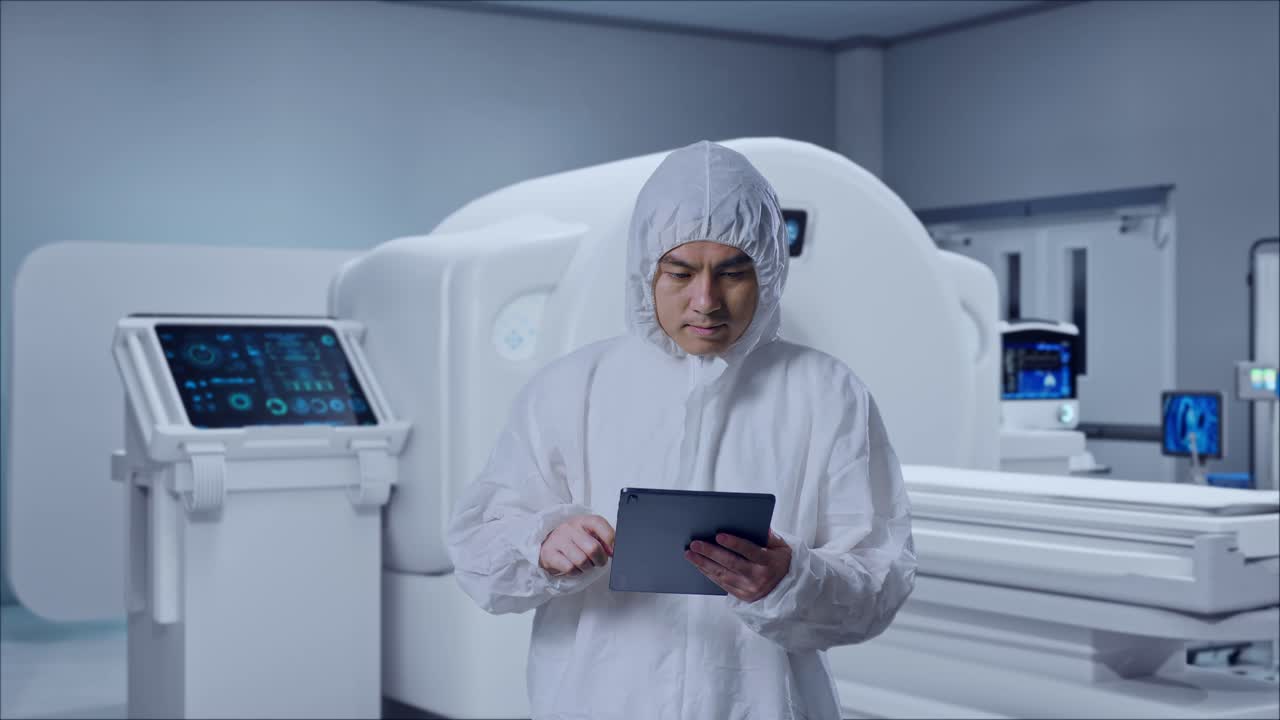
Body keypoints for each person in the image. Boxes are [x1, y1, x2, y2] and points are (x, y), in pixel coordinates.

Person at [447, 140, 916, 719]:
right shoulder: (575, 387)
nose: (706, 300)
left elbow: (879, 577)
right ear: (647, 269)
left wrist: (789, 578)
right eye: (681, 271)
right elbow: (476, 547)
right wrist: (542, 545)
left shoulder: (826, 394)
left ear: (767, 270)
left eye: (732, 272)